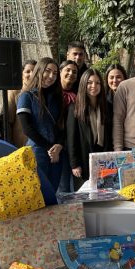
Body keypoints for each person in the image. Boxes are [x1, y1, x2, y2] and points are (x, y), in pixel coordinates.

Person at [17, 58, 64, 199]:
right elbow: (27, 129)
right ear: (39, 71)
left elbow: (61, 126)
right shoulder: (26, 96)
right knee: (37, 196)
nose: (51, 76)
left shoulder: (57, 98)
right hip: (37, 152)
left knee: (52, 194)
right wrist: (50, 147)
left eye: (55, 73)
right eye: (47, 71)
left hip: (57, 154)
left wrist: (59, 146)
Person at [67, 69, 113, 189]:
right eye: (90, 82)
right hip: (84, 158)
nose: (94, 86)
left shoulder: (107, 107)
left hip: (104, 157)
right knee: (86, 197)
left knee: (105, 193)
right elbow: (72, 138)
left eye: (98, 83)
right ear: (83, 84)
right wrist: (74, 164)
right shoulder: (75, 108)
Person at [58, 60, 79, 192]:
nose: (71, 73)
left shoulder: (77, 95)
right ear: (60, 72)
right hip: (55, 145)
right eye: (68, 70)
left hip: (71, 145)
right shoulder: (51, 93)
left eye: (74, 72)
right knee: (61, 185)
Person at [7, 59, 36, 147]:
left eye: (34, 72)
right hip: (19, 144)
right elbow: (8, 121)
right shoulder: (14, 92)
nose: (31, 74)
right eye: (27, 71)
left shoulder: (42, 92)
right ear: (22, 74)